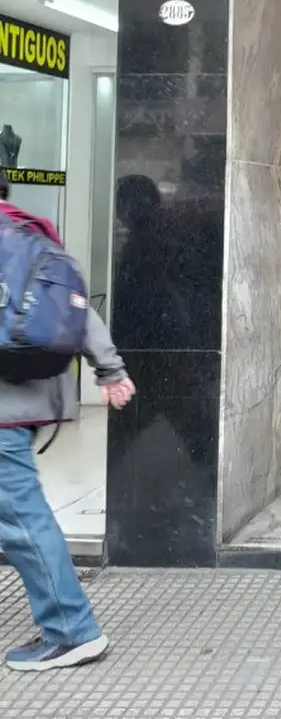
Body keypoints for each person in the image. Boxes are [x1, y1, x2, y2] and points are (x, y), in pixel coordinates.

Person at [0, 168, 136, 671]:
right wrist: (110, 369)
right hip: (35, 398)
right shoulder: (33, 235)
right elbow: (78, 311)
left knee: (21, 519)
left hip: (5, 411)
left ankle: (71, 629)